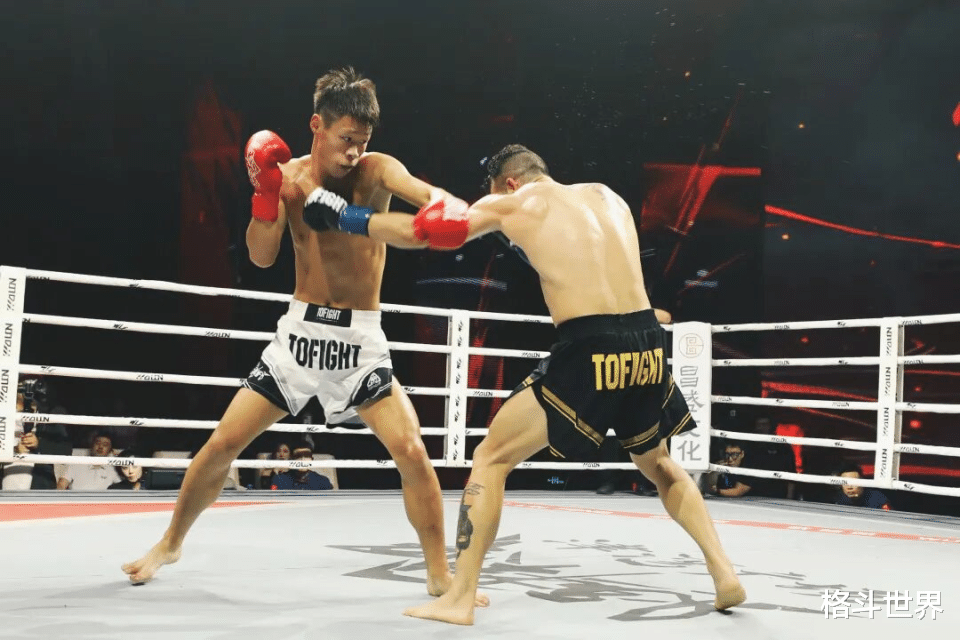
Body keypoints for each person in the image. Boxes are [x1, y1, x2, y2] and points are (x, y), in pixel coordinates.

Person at [314, 143, 746, 623]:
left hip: (591, 344)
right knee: (659, 464)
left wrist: (346, 216)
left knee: (491, 458)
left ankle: (459, 599)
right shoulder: (607, 196)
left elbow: (433, 231)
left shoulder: (514, 202)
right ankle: (724, 574)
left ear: (509, 182)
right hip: (645, 342)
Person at [122, 68, 468, 600]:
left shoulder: (378, 171)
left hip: (360, 343)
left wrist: (412, 211)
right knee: (222, 444)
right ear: (317, 125)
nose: (353, 152)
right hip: (300, 338)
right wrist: (264, 196)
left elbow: (436, 201)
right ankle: (170, 543)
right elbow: (261, 258)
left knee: (412, 451)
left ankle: (439, 572)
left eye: (362, 141)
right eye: (346, 138)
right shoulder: (289, 179)